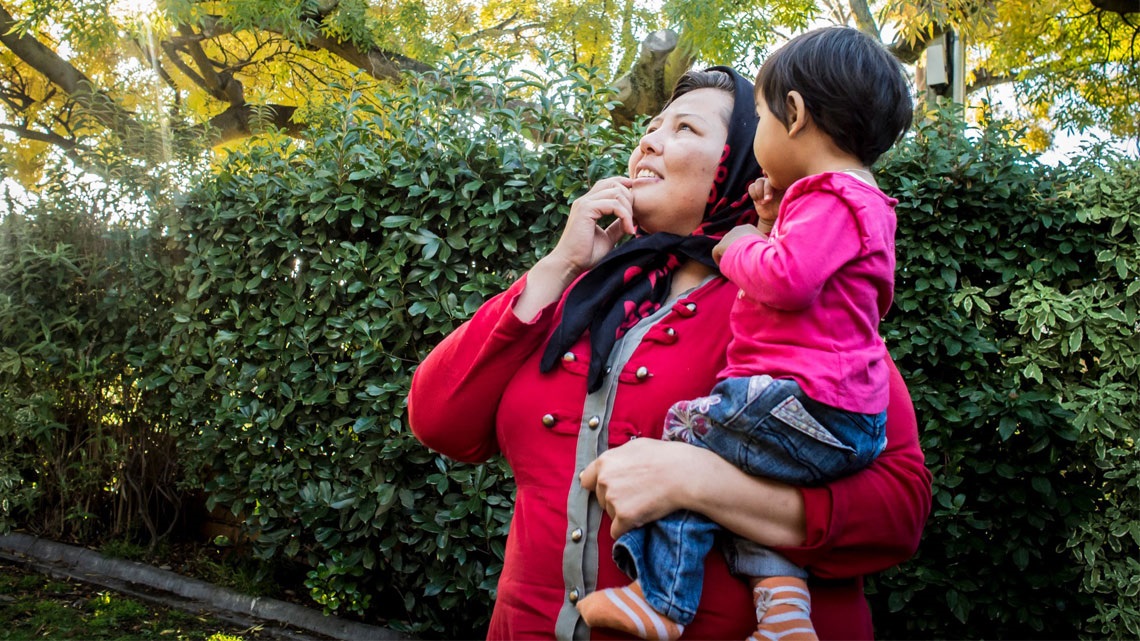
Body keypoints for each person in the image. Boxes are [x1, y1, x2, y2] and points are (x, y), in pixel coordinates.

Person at [408, 64, 931, 641]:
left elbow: (898, 512)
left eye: (684, 128)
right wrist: (559, 265)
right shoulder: (583, 294)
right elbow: (439, 421)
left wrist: (703, 483)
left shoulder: (798, 300)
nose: (649, 140)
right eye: (651, 127)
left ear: (744, 160)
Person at [575, 27, 915, 641]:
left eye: (757, 116)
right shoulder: (859, 203)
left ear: (795, 114)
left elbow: (786, 280)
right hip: (832, 411)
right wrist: (767, 222)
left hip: (813, 403)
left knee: (688, 432)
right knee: (761, 470)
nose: (648, 140)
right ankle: (784, 614)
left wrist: (740, 245)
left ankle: (661, 598)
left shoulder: (831, 196)